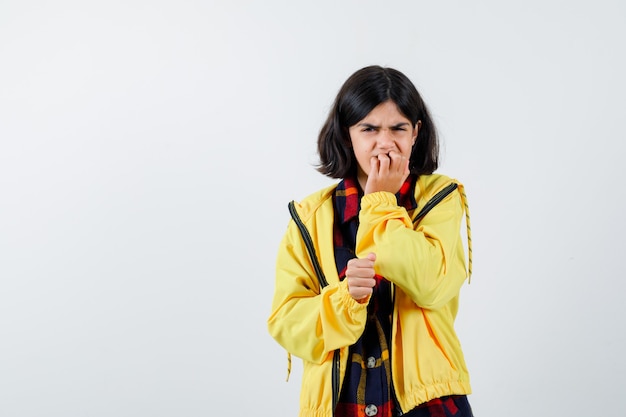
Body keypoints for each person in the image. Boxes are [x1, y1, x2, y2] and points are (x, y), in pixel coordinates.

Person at [267, 65, 474, 417]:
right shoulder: (310, 216)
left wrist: (379, 202)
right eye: (369, 128)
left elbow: (432, 285)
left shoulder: (439, 197)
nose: (385, 142)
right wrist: (344, 300)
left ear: (416, 133)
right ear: (348, 135)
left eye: (398, 128)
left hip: (427, 404)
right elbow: (286, 322)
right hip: (340, 403)